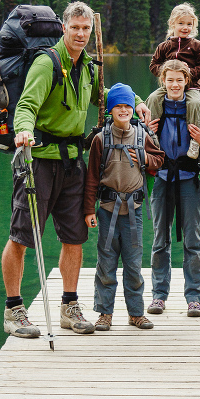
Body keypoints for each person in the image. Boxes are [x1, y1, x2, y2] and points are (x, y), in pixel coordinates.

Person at [2, 1, 150, 339]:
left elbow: (106, 94)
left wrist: (136, 100)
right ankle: (13, 309)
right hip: (39, 159)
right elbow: (26, 104)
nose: (81, 34)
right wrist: (23, 130)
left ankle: (69, 307)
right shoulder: (46, 62)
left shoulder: (89, 67)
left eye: (86, 29)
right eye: (75, 28)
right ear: (64, 28)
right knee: (23, 236)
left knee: (74, 236)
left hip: (72, 163)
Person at [84, 83, 165, 331]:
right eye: (118, 106)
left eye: (127, 106)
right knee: (106, 264)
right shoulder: (100, 139)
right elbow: (91, 178)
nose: (123, 110)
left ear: (132, 109)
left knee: (133, 264)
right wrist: (88, 210)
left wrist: (143, 157)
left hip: (134, 211)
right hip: (107, 210)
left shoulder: (142, 136)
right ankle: (104, 313)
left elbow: (159, 160)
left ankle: (136, 313)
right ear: (110, 110)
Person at [145, 60, 200, 317]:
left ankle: (194, 297)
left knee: (193, 240)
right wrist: (145, 132)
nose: (175, 85)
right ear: (163, 81)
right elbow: (143, 149)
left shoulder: (198, 110)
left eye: (179, 80)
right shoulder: (154, 110)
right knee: (160, 240)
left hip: (188, 180)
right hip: (162, 179)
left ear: (187, 81)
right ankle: (159, 295)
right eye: (170, 80)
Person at [148, 3, 200, 160]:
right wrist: (166, 71)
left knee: (196, 104)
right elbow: (153, 66)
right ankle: (152, 134)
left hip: (191, 88)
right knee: (153, 98)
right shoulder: (164, 46)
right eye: (181, 23)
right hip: (169, 87)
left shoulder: (197, 46)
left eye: (189, 24)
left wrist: (190, 73)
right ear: (172, 24)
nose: (185, 27)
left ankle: (194, 142)